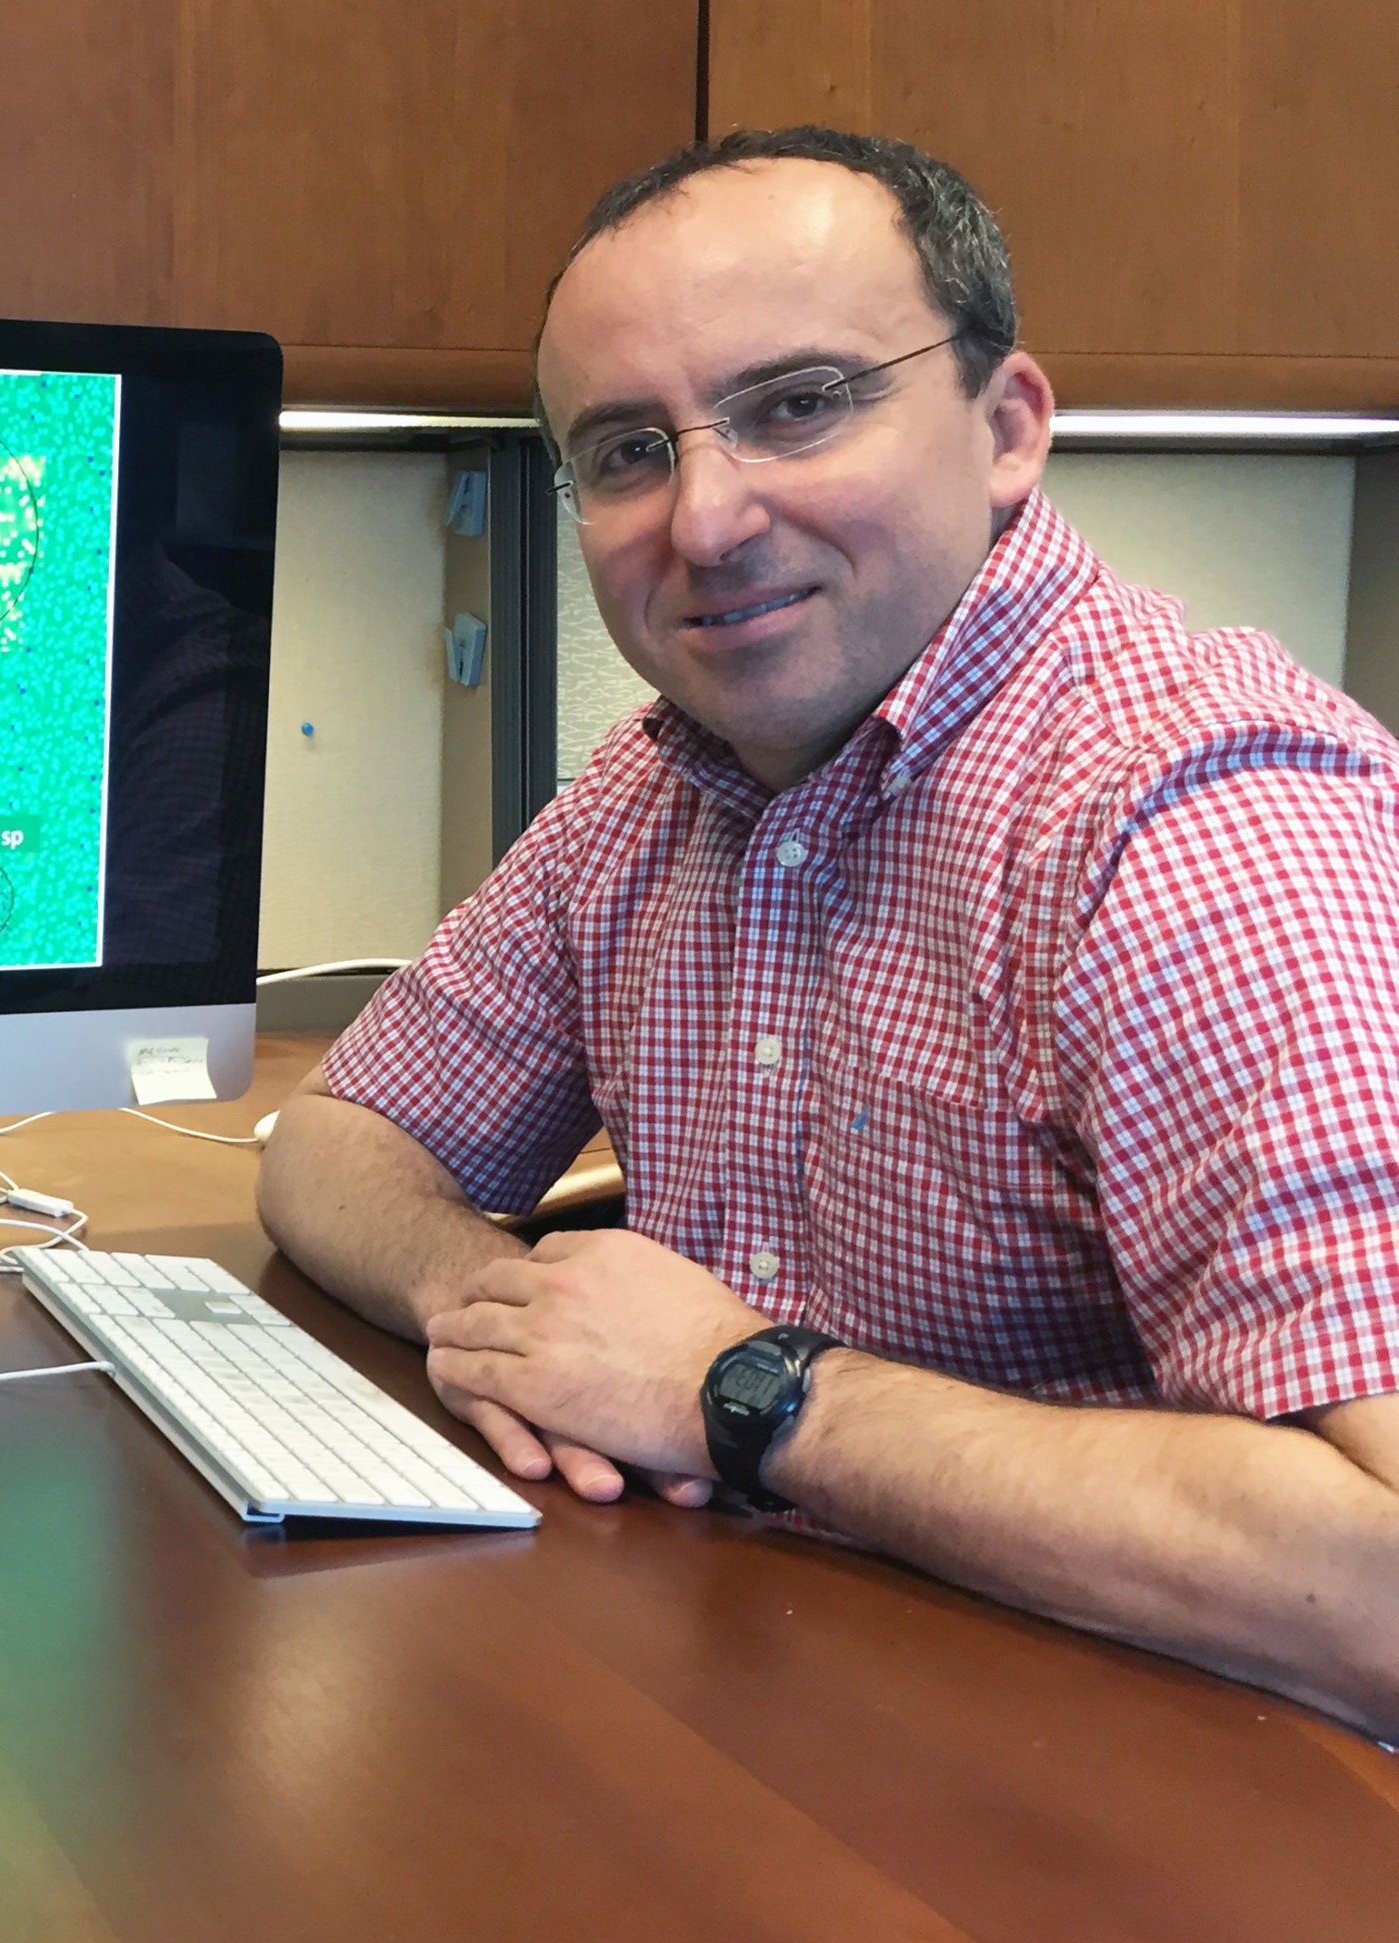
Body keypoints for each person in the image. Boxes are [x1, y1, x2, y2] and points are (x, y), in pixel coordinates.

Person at [257, 128, 1399, 1737]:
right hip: (784, 1722)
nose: (706, 519)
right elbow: (336, 1141)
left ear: (1006, 429)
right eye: (628, 451)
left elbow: (1380, 1589)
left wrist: (751, 1392)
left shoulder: (1195, 820)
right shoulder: (657, 791)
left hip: (1145, 1814)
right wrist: (502, 1314)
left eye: (798, 405)